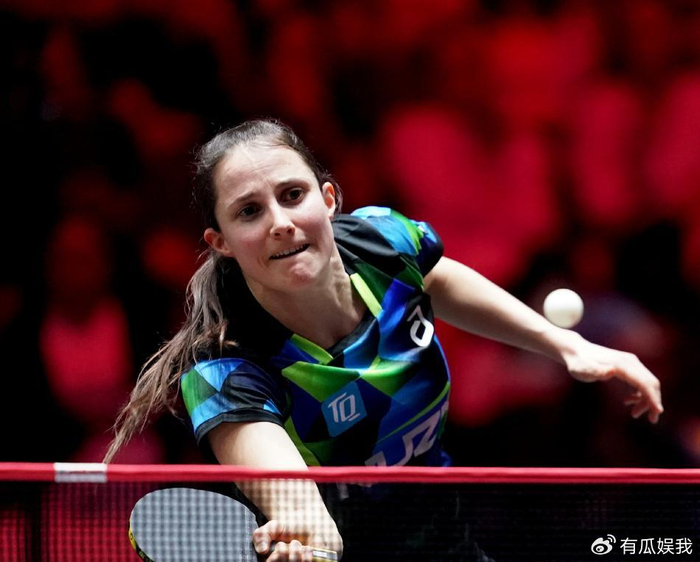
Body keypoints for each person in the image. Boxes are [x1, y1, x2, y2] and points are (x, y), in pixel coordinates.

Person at [105, 118, 663, 561]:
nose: (279, 221)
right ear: (221, 242)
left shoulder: (383, 245)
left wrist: (568, 346)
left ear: (328, 199)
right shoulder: (226, 370)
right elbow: (293, 499)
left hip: (446, 544)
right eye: (249, 211)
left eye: (293, 194)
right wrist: (306, 532)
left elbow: (435, 279)